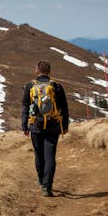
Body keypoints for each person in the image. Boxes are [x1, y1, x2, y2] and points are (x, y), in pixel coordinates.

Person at [22, 60, 69, 197]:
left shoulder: (30, 86)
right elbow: (64, 107)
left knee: (39, 155)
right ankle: (47, 187)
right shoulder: (56, 86)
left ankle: (41, 180)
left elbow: (25, 106)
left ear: (37, 70)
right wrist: (64, 126)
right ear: (49, 72)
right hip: (53, 126)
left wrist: (24, 125)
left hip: (36, 126)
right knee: (50, 156)